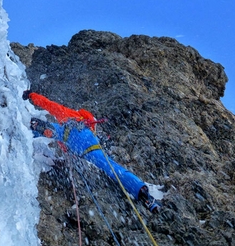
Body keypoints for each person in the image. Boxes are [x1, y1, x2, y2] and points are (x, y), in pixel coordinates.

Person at [23, 90, 161, 213]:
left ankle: (31, 127)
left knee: (53, 130)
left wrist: (31, 95)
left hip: (69, 134)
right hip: (90, 146)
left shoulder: (70, 114)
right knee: (109, 166)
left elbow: (49, 105)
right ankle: (141, 190)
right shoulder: (91, 129)